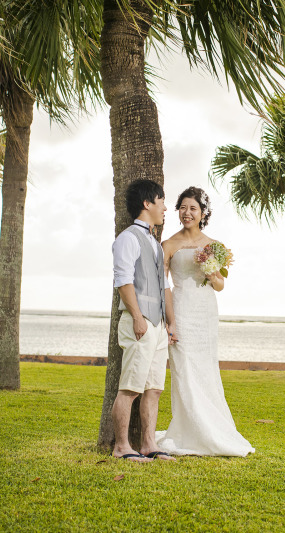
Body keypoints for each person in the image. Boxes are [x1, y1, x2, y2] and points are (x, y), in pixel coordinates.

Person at [155, 186, 255, 457]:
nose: (187, 213)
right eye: (183, 208)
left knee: (206, 368)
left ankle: (213, 428)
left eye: (193, 208)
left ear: (202, 213)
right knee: (184, 369)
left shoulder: (214, 245)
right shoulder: (168, 245)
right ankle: (188, 430)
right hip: (181, 309)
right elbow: (163, 285)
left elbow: (220, 285)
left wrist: (211, 273)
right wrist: (170, 321)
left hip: (205, 312)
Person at [111, 179, 178, 463]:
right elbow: (123, 281)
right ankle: (121, 446)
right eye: (161, 201)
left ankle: (149, 444)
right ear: (147, 203)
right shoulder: (128, 238)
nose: (165, 208)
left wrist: (170, 323)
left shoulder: (155, 243)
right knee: (130, 387)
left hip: (158, 327)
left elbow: (164, 286)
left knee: (154, 388)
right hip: (139, 323)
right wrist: (138, 318)